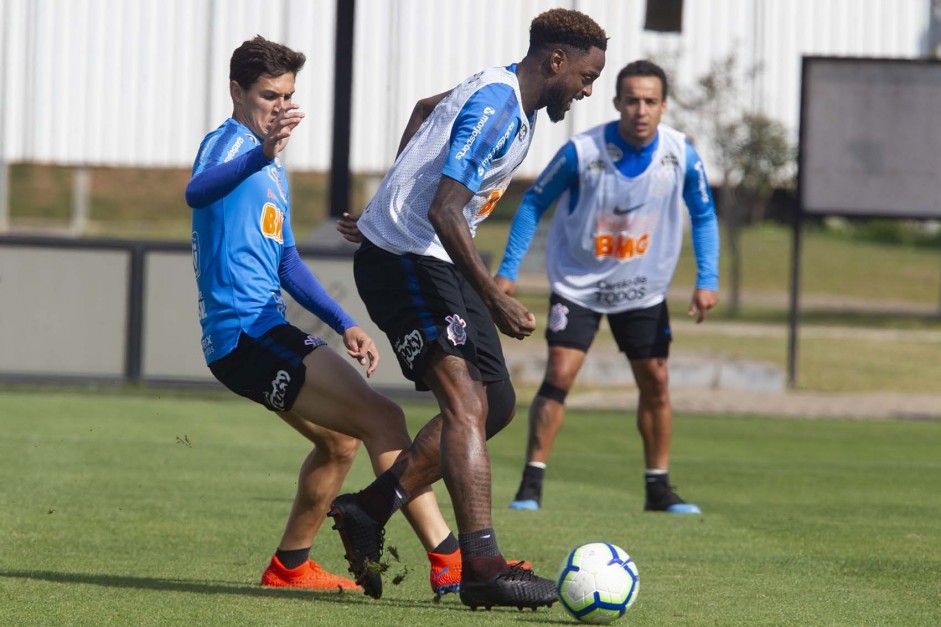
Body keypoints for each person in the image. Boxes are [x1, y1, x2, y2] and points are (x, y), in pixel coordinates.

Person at [328, 9, 608, 611]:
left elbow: (428, 110)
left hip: (434, 257)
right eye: (587, 77)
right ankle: (480, 564)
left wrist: (388, 193)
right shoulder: (499, 105)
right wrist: (494, 295)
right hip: (405, 257)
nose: (588, 91)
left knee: (496, 404)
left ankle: (367, 508)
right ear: (555, 61)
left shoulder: (508, 97)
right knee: (464, 403)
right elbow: (445, 210)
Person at [185, 35, 479, 597]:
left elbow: (286, 259)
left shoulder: (272, 168)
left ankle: (290, 567)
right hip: (245, 334)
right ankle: (449, 560)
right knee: (384, 418)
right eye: (269, 95)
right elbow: (196, 193)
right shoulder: (229, 145)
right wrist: (258, 155)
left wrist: (343, 321)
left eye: (289, 95)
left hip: (261, 329)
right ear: (236, 92)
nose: (281, 106)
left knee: (340, 443)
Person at [495, 60, 720, 515]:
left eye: (650, 101)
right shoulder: (584, 151)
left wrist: (707, 279)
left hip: (642, 288)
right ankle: (530, 485)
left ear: (663, 106)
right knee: (560, 374)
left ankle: (659, 489)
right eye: (632, 100)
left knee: (656, 380)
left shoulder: (681, 154)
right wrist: (509, 268)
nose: (641, 110)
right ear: (617, 102)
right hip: (578, 284)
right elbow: (534, 201)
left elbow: (703, 214)